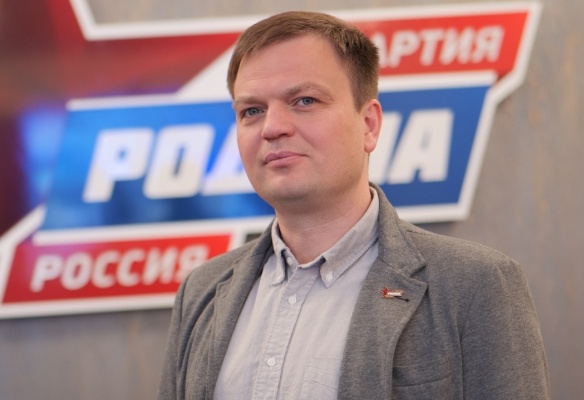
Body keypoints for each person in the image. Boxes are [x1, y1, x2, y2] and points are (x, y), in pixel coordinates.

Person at [158, 11, 550, 400]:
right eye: (252, 111)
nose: (272, 127)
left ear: (369, 125)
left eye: (305, 100)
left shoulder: (475, 285)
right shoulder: (202, 291)